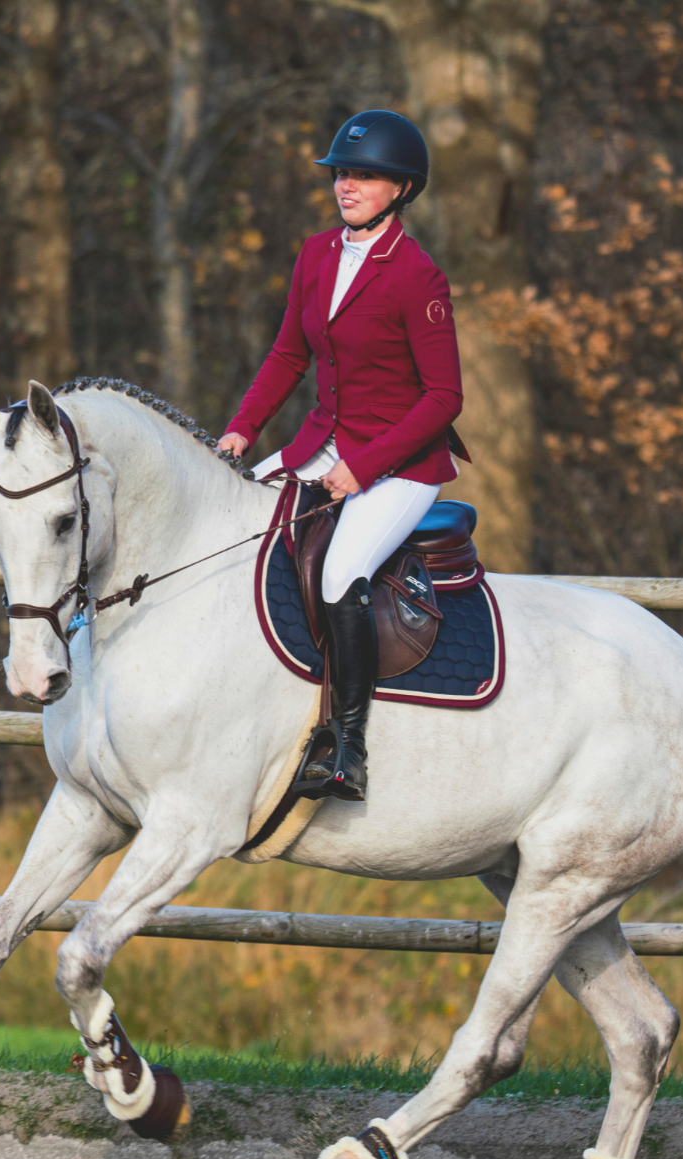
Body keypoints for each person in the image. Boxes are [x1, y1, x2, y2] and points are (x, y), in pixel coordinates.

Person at [217, 109, 466, 803]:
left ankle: (347, 746)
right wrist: (242, 430)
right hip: (321, 440)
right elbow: (287, 354)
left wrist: (363, 468)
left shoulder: (417, 277)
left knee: (339, 573)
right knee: (235, 528)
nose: (346, 186)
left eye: (364, 176)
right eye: (341, 173)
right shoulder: (317, 253)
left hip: (402, 463)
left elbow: (445, 398)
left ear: (402, 189)